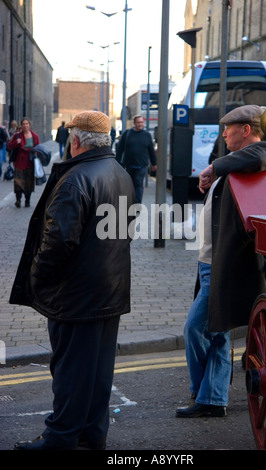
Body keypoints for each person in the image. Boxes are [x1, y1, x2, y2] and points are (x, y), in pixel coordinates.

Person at [10, 110, 135, 450]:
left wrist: (37, 276)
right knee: (97, 373)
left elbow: (58, 241)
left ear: (76, 140)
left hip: (76, 294)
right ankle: (91, 435)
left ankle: (60, 437)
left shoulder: (76, 178)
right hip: (111, 289)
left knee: (70, 372)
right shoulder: (120, 173)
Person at [176, 105, 266, 419]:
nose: (223, 133)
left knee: (196, 328)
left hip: (223, 265)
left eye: (228, 128)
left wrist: (214, 167)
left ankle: (204, 392)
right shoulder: (234, 163)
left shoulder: (261, 155)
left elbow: (264, 156)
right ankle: (212, 397)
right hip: (209, 262)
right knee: (215, 332)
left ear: (246, 130)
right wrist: (216, 169)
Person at [116, 115, 157, 204]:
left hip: (142, 165)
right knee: (129, 185)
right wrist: (117, 163)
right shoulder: (127, 134)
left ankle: (137, 204)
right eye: (138, 122)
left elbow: (151, 150)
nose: (140, 124)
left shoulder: (147, 135)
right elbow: (120, 149)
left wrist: (154, 163)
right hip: (128, 165)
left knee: (138, 184)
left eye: (141, 122)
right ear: (134, 123)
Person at [7, 117, 40, 207]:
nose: (25, 125)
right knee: (18, 182)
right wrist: (16, 143)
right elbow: (9, 146)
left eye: (27, 124)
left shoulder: (35, 136)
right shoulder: (17, 135)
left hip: (30, 163)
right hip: (19, 162)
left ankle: (27, 200)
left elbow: (38, 148)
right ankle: (18, 200)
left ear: (29, 125)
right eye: (23, 124)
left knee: (28, 183)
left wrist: (37, 152)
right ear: (21, 125)